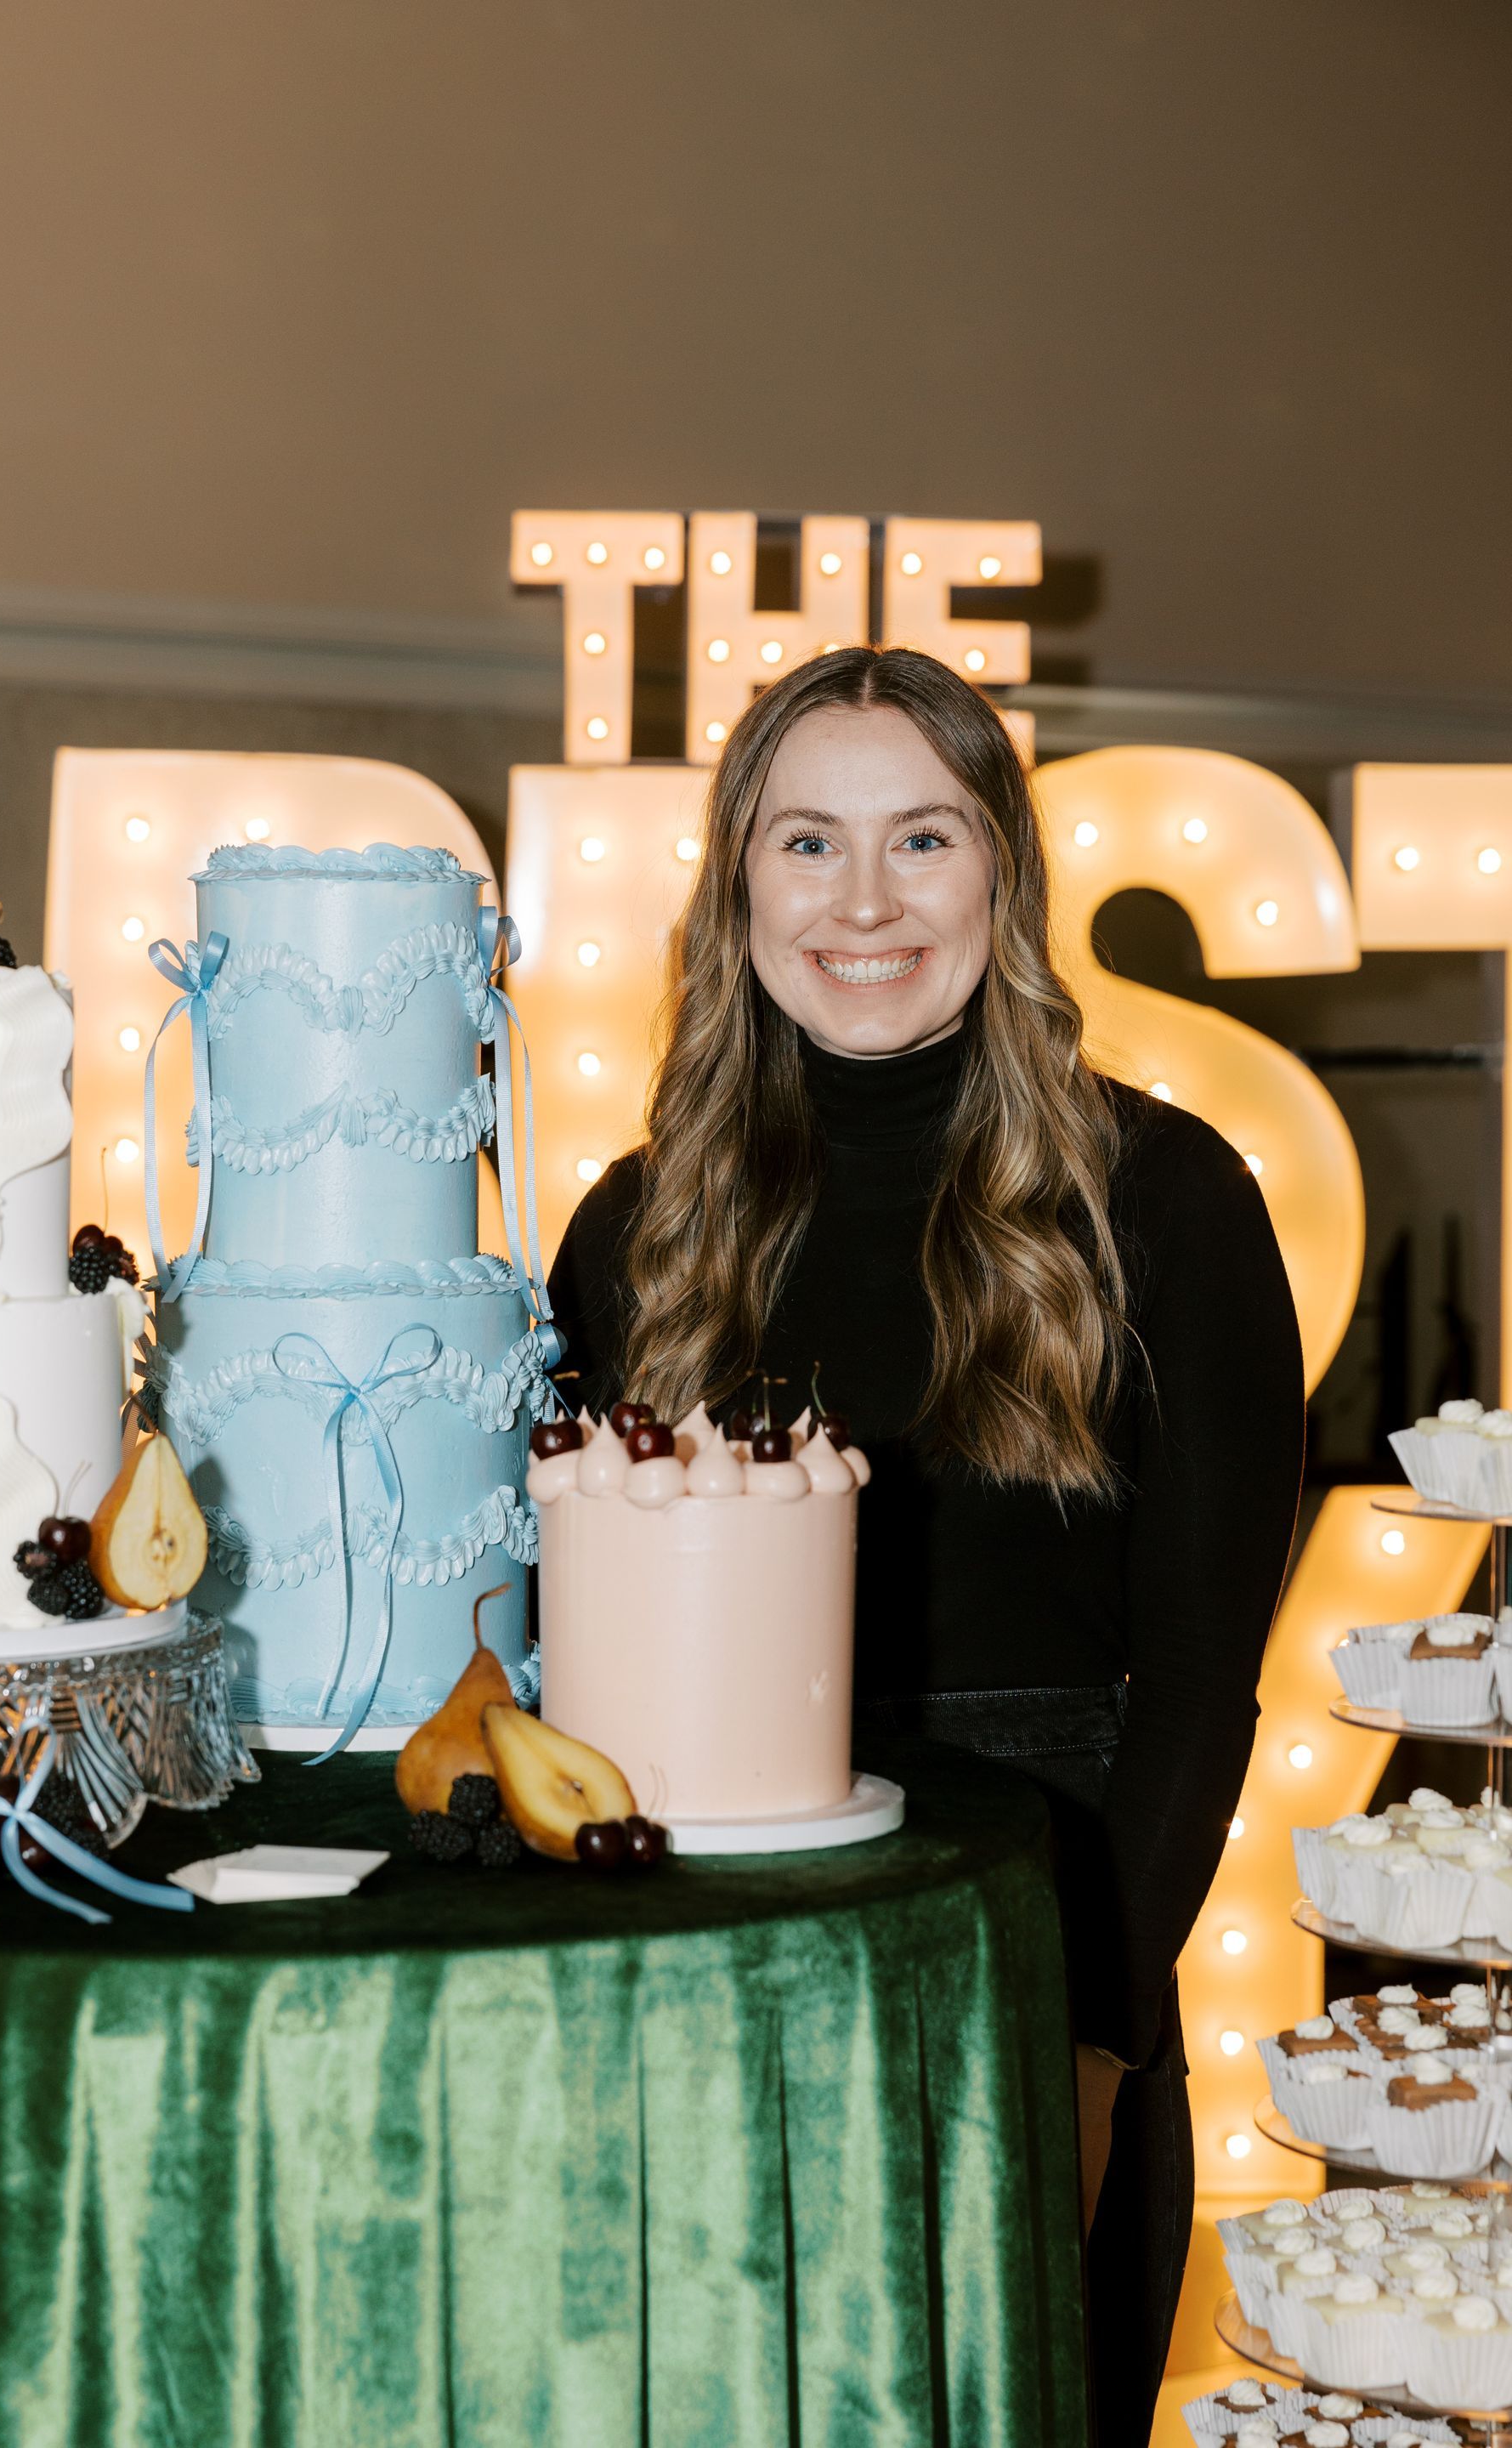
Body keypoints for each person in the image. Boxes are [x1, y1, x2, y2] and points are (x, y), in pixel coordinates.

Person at [546, 644, 1304, 2447]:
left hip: (1040, 1951)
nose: (864, 903)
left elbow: (1199, 1684)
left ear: (1002, 878)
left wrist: (1096, 2046)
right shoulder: (632, 1231)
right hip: (702, 1958)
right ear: (738, 885)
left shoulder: (1168, 1201)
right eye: (807, 842)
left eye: (924, 841)